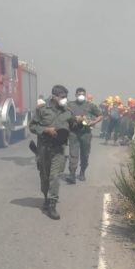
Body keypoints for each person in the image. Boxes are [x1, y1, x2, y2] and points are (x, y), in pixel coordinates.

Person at [29, 85, 77, 220]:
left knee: (54, 176)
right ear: (54, 96)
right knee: (44, 176)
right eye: (62, 97)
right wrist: (45, 130)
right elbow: (32, 126)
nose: (65, 100)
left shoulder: (68, 111)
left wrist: (78, 122)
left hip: (59, 150)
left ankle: (52, 204)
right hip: (44, 148)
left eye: (66, 97)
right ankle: (46, 197)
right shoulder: (42, 110)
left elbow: (73, 126)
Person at [66, 87, 103, 183]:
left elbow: (100, 115)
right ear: (75, 95)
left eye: (82, 94)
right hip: (73, 132)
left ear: (85, 95)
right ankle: (72, 175)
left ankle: (82, 172)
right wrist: (74, 119)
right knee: (73, 154)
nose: (81, 96)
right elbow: (64, 115)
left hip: (86, 133)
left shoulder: (90, 106)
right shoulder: (70, 105)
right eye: (79, 94)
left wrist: (93, 122)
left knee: (85, 154)